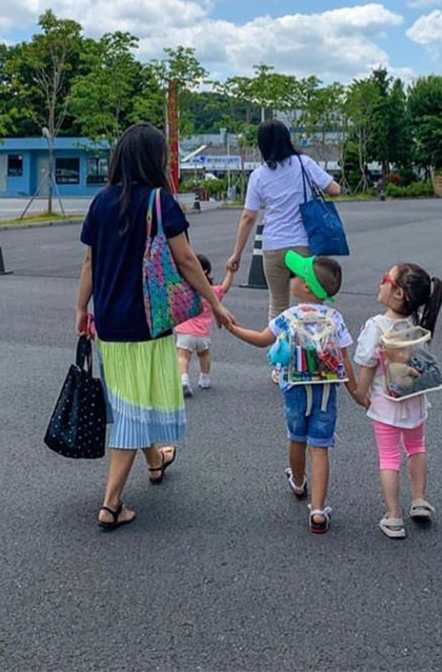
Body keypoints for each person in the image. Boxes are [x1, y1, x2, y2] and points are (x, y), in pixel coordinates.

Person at [76, 123, 234, 531]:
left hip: (108, 320)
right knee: (132, 409)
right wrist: (214, 303)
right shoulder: (160, 202)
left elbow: (90, 262)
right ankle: (111, 504)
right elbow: (186, 261)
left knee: (132, 398)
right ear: (155, 159)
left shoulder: (100, 202)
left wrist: (80, 308)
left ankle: (155, 460)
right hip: (149, 321)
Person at [228, 251, 364, 534]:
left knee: (297, 438)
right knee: (320, 446)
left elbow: (261, 340)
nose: (290, 278)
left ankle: (299, 482)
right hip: (325, 391)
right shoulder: (335, 317)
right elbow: (344, 359)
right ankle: (318, 511)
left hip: (294, 389)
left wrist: (232, 328)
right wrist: (356, 393)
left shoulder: (289, 316)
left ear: (305, 287)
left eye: (295, 275)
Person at [353, 263, 442, 539]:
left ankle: (393, 516)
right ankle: (419, 499)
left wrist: (360, 393)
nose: (380, 283)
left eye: (385, 279)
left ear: (398, 293)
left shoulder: (376, 326)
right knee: (416, 447)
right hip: (414, 399)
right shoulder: (415, 323)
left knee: (389, 458)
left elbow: (367, 366)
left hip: (386, 403)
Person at [226, 119, 341, 320]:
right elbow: (335, 190)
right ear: (287, 139)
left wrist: (236, 254)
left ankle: (279, 341)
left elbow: (248, 217)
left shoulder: (258, 176)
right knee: (309, 303)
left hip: (273, 246)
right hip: (302, 245)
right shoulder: (304, 163)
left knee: (277, 306)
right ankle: (310, 340)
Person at [174, 253, 234, 397]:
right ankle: (204, 378)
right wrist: (230, 272)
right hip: (203, 333)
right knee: (204, 355)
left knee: (183, 357)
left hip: (185, 331)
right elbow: (224, 288)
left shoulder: (185, 289)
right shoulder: (211, 291)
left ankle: (183, 379)